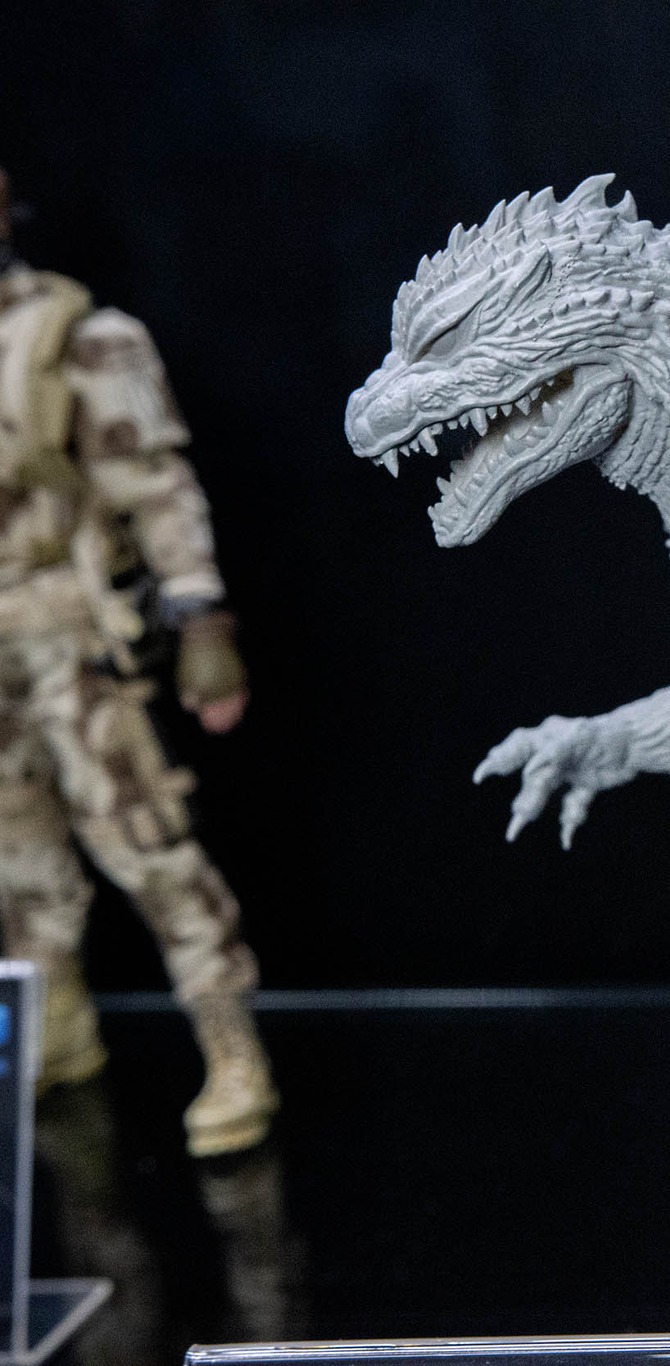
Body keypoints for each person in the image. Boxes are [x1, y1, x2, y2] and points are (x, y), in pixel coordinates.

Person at [0, 166, 276, 1156]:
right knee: (15, 858)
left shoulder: (79, 337)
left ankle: (229, 1043)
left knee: (145, 840)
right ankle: (53, 1028)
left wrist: (201, 620)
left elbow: (157, 489)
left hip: (70, 632)